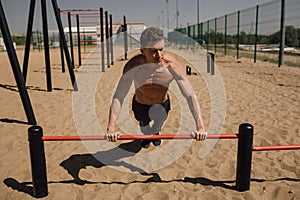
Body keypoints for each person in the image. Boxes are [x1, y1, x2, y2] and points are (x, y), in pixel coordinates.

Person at [106, 26, 207, 148]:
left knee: (158, 124)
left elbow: (190, 95)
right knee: (144, 126)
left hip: (161, 104)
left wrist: (200, 126)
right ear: (143, 51)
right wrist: (111, 127)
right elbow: (119, 96)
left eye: (161, 49)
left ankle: (155, 132)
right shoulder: (133, 66)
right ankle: (147, 135)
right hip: (140, 104)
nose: (159, 55)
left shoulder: (171, 65)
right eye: (153, 51)